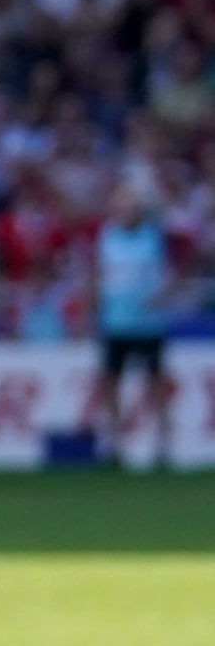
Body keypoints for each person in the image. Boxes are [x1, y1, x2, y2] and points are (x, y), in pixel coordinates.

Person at [89, 164, 180, 470]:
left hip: (148, 324)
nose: (124, 208)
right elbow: (98, 276)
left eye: (129, 202)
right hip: (115, 323)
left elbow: (173, 275)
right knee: (111, 383)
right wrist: (92, 310)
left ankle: (162, 446)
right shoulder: (107, 236)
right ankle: (114, 445)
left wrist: (161, 297)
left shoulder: (152, 236)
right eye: (120, 202)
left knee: (155, 385)